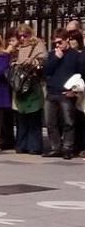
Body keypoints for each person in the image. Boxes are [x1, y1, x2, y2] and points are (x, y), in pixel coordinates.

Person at [43, 29, 82, 160]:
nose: (57, 46)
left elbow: (80, 75)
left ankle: (67, 148)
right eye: (55, 43)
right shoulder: (52, 54)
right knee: (50, 122)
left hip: (66, 93)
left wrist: (74, 91)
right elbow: (46, 70)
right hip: (52, 91)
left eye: (60, 42)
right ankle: (55, 147)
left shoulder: (75, 55)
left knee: (68, 122)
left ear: (67, 40)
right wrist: (55, 58)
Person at [11, 24, 47, 155]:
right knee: (21, 117)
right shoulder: (16, 47)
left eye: (24, 35)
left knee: (34, 117)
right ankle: (21, 144)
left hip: (32, 84)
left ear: (30, 34)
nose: (22, 38)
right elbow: (7, 58)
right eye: (19, 36)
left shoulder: (37, 44)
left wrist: (33, 61)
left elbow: (43, 59)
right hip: (19, 85)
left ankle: (34, 146)